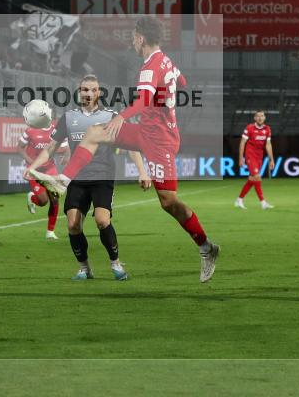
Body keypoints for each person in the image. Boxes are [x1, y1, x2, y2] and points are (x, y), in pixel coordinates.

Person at [28, 17, 221, 283]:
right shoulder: (165, 61)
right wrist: (168, 96)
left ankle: (206, 247)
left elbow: (143, 99)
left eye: (133, 37)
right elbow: (183, 81)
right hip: (145, 132)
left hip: (160, 140)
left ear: (141, 38)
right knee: (95, 132)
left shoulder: (150, 67)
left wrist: (122, 116)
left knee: (168, 201)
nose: (132, 42)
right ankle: (63, 180)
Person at [29, 75, 150, 280]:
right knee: (73, 225)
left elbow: (130, 146)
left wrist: (142, 171)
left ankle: (116, 264)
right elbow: (51, 148)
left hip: (103, 176)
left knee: (102, 221)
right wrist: (32, 167)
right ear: (79, 91)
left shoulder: (111, 116)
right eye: (85, 89)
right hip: (76, 178)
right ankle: (84, 268)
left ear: (99, 93)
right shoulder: (68, 118)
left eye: (93, 90)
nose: (89, 93)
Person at [19, 117, 66, 241]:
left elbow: (65, 146)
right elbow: (20, 148)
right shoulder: (30, 131)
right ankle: (32, 198)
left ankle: (50, 232)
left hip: (50, 168)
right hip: (34, 170)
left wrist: (66, 154)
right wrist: (31, 163)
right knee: (43, 201)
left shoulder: (56, 130)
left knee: (55, 199)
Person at [236, 110, 275, 210]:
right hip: (250, 155)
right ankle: (263, 202)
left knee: (252, 179)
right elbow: (242, 143)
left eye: (262, 116)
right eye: (258, 116)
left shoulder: (267, 129)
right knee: (257, 177)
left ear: (264, 118)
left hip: (259, 157)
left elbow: (268, 145)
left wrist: (271, 159)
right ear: (255, 118)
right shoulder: (250, 128)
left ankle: (239, 200)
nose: (260, 118)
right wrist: (241, 158)